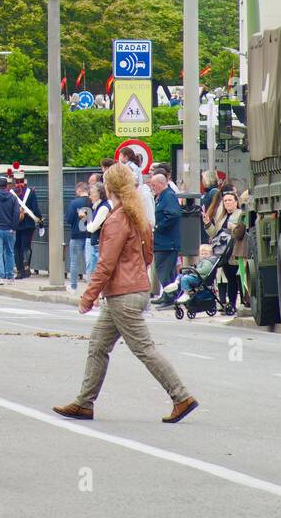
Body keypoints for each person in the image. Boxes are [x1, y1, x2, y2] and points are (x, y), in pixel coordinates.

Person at [53, 164, 198, 424]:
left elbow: (106, 263)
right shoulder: (136, 213)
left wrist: (88, 295)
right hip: (131, 289)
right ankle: (84, 403)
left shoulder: (117, 219)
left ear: (110, 187)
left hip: (123, 293)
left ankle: (181, 396)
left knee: (144, 348)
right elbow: (148, 253)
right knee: (98, 345)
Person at [204, 189, 243, 309]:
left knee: (239, 278)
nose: (227, 203)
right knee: (230, 279)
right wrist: (208, 224)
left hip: (236, 251)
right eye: (225, 201)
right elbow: (214, 234)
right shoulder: (222, 217)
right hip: (224, 252)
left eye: (230, 200)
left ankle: (243, 302)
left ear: (236, 202)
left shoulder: (241, 214)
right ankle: (231, 304)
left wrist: (233, 228)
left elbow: (242, 232)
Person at [149, 172, 181, 305]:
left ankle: (169, 297)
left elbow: (173, 215)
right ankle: (168, 295)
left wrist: (157, 227)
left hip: (167, 242)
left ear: (162, 184)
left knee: (164, 270)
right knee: (164, 270)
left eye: (154, 185)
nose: (152, 187)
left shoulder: (168, 196)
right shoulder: (162, 197)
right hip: (163, 241)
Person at [10, 164, 43, 279]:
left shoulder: (12, 192)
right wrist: (40, 220)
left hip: (17, 223)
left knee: (17, 247)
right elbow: (36, 209)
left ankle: (19, 271)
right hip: (29, 223)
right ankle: (26, 268)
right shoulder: (31, 191)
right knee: (26, 246)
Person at [64, 182, 92, 295]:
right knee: (90, 261)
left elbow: (69, 219)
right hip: (90, 235)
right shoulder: (92, 202)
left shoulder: (74, 203)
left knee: (74, 261)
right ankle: (91, 286)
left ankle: (74, 286)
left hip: (76, 234)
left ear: (79, 190)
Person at [85, 181, 111, 277]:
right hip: (97, 243)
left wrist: (88, 221)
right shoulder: (99, 207)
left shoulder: (103, 208)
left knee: (94, 275)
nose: (90, 196)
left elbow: (92, 228)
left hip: (98, 244)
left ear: (99, 194)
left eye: (91, 193)